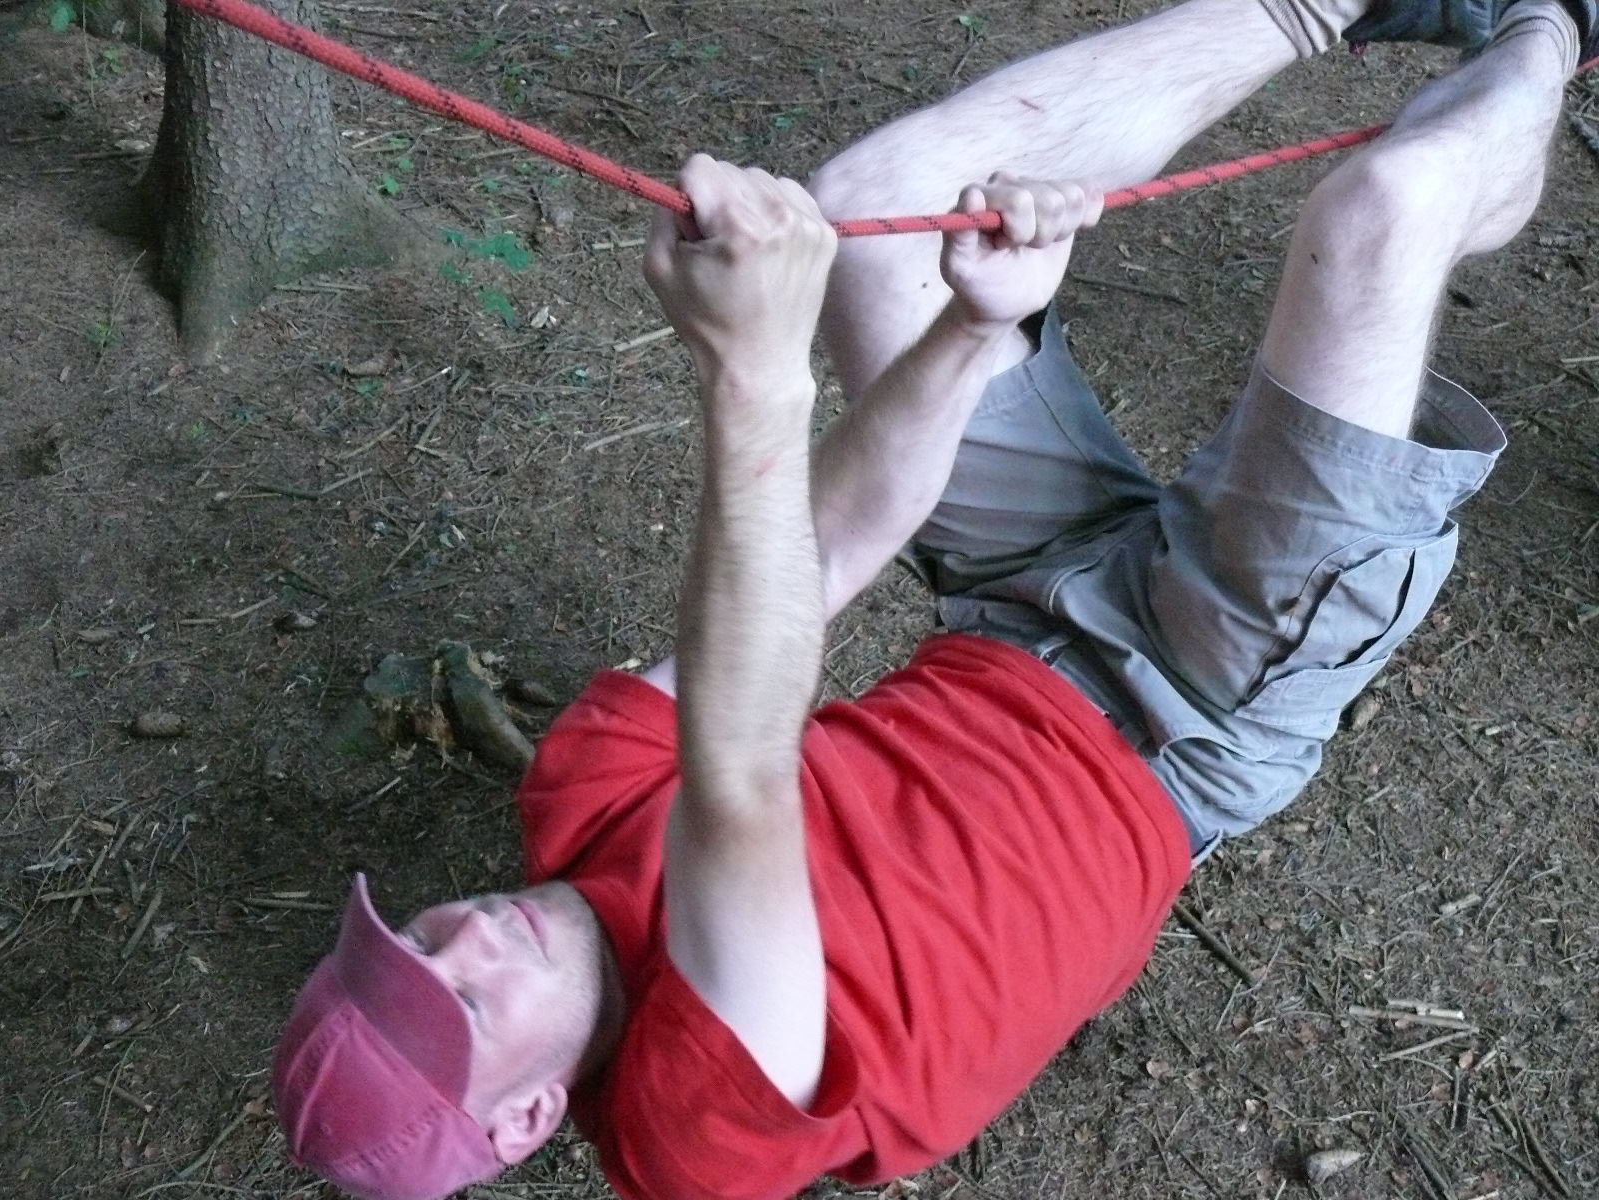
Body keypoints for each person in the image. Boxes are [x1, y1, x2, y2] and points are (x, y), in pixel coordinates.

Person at [269, 0, 1594, 1196]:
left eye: (424, 941)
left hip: (1010, 615)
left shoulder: (577, 798)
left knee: (880, 204)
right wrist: (752, 369)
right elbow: (742, 785)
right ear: (525, 1119)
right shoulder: (694, 1138)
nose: (471, 938)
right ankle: (1551, 26)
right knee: (1385, 212)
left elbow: (835, 544)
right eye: (467, 1008)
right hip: (1187, 716)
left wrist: (975, 328)